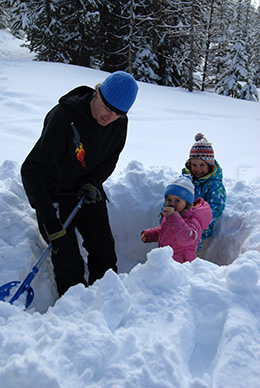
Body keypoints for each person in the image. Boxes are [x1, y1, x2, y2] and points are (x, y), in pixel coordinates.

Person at [21, 70, 138, 296]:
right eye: (107, 107)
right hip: (53, 192)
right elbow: (31, 170)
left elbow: (110, 159)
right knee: (69, 264)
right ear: (97, 93)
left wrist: (94, 181)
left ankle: (107, 301)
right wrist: (48, 219)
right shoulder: (64, 118)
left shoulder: (119, 124)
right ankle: (74, 313)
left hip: (86, 190)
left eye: (118, 113)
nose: (110, 117)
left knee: (104, 254)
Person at [141, 177, 212, 263]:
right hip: (167, 261)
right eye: (169, 200)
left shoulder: (192, 220)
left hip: (182, 264)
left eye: (177, 200)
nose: (172, 203)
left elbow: (186, 239)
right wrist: (150, 235)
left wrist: (173, 217)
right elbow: (163, 231)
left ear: (187, 204)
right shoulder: (171, 217)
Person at [182, 133, 226, 253]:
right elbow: (175, 197)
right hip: (181, 228)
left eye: (202, 165)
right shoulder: (185, 180)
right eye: (194, 165)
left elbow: (216, 206)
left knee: (195, 256)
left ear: (210, 166)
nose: (198, 169)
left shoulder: (214, 185)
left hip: (202, 231)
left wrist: (199, 223)